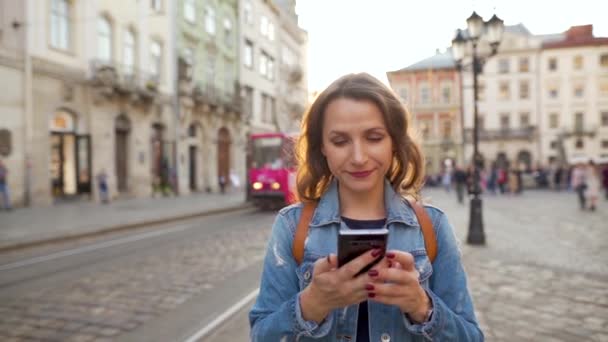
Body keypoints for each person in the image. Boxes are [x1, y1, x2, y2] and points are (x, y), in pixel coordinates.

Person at [249, 73, 483, 341]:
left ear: (394, 142)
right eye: (340, 141)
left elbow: (471, 336)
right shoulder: (291, 227)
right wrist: (312, 303)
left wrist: (422, 306)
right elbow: (261, 336)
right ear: (322, 147)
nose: (359, 158)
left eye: (374, 137)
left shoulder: (431, 226)